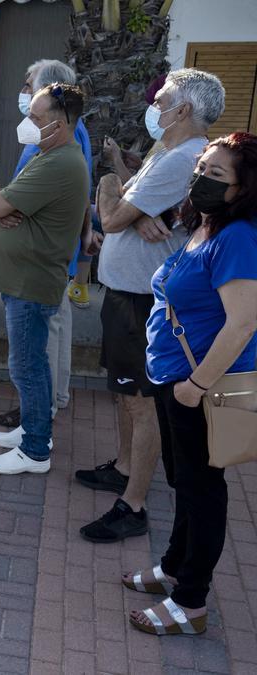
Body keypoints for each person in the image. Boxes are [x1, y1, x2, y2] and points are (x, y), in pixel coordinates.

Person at [77, 68, 224, 544]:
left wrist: (106, 186)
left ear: (182, 110)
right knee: (125, 393)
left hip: (143, 299)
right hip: (129, 292)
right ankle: (123, 468)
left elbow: (114, 215)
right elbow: (135, 211)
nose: (154, 106)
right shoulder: (169, 152)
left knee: (142, 404)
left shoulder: (180, 159)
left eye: (161, 99)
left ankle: (133, 504)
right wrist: (135, 214)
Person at [125, 132, 257, 636]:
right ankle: (174, 566)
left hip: (200, 387)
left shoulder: (238, 237)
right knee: (184, 482)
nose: (200, 177)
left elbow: (243, 322)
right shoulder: (205, 226)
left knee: (203, 490)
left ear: (244, 188)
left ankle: (191, 601)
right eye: (201, 167)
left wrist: (196, 386)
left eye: (216, 175)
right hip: (175, 380)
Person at [0, 83, 90, 475]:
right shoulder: (51, 156)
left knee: (27, 366)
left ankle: (35, 449)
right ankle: (32, 428)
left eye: (36, 118)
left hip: (31, 281)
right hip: (26, 279)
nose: (27, 122)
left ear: (58, 126)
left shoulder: (58, 163)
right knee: (31, 364)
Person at [0, 59, 93, 429]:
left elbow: (43, 190)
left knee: (43, 336)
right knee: (59, 323)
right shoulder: (71, 133)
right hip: (59, 248)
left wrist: (0, 205)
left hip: (43, 250)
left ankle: (41, 407)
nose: (24, 93)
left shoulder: (59, 137)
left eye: (29, 85)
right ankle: (58, 395)